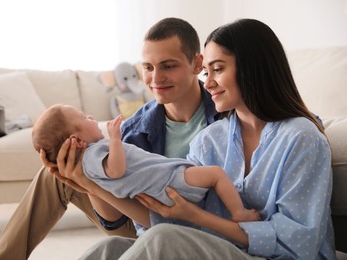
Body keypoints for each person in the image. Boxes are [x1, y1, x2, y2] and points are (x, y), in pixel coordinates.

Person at [74, 19, 336, 259]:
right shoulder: (208, 140)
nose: (208, 83)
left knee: (163, 238)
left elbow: (299, 243)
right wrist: (90, 184)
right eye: (206, 73)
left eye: (218, 70)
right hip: (223, 250)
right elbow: (168, 213)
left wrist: (196, 216)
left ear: (251, 69)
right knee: (109, 248)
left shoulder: (301, 137)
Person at [0, 17, 219, 260]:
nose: (155, 78)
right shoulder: (134, 130)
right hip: (144, 219)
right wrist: (86, 182)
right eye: (148, 67)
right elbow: (117, 222)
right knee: (56, 173)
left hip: (199, 222)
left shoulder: (225, 114)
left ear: (197, 64)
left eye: (168, 66)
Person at [32, 104, 259, 225]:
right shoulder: (97, 153)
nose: (91, 117)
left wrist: (84, 180)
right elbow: (116, 173)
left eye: (168, 66)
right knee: (216, 174)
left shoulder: (221, 111)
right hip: (167, 188)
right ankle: (239, 212)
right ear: (78, 140)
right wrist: (113, 140)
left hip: (166, 196)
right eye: (83, 117)